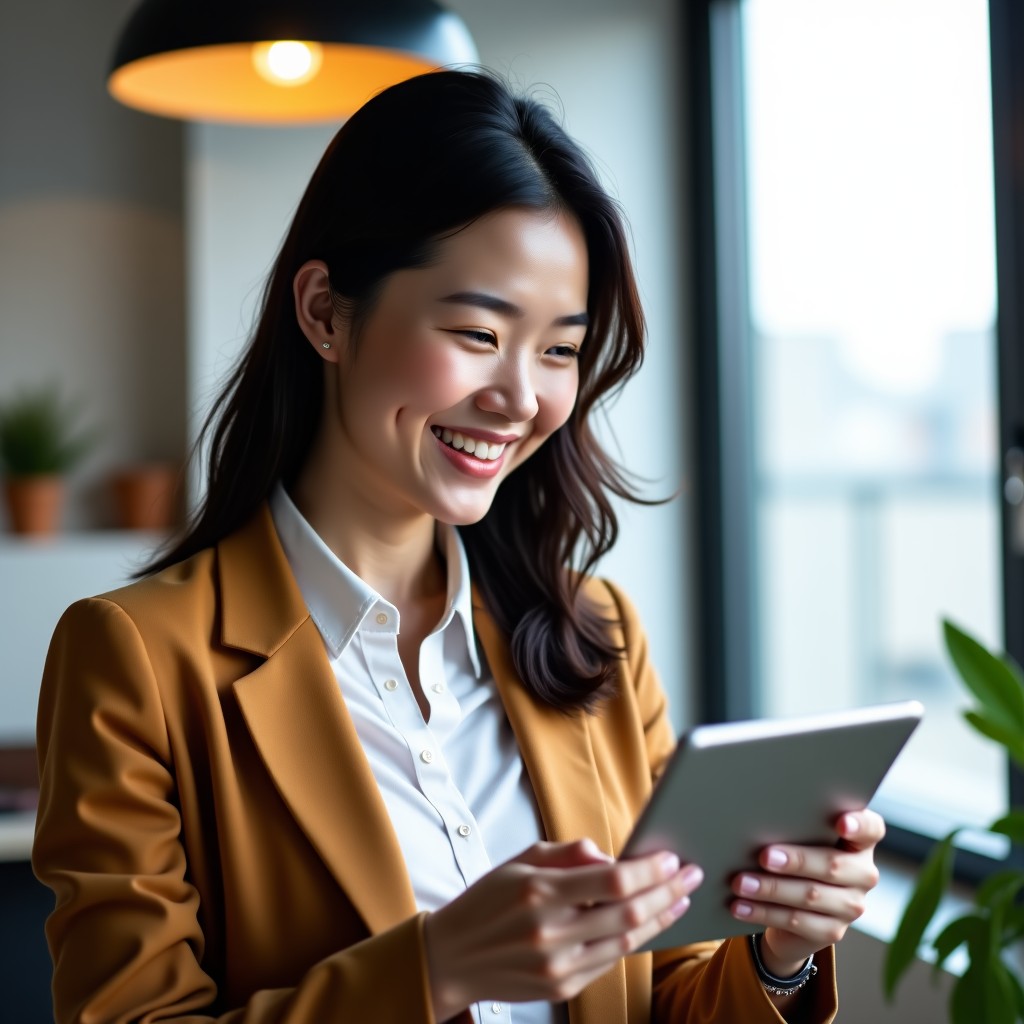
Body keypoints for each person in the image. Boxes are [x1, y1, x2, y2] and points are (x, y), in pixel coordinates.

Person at [32, 69, 882, 1024]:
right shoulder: (136, 659)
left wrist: (777, 956)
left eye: (559, 349)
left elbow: (661, 991)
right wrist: (435, 968)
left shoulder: (595, 633)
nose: (521, 398)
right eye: (477, 332)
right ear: (324, 312)